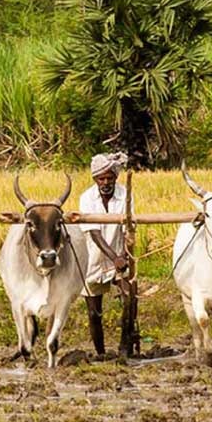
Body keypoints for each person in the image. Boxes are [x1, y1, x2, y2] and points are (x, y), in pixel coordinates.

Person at [79, 152, 131, 356]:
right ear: (95, 179)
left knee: (129, 300)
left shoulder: (125, 194)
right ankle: (100, 353)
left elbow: (128, 229)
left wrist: (124, 256)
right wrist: (114, 258)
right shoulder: (86, 198)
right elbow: (94, 233)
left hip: (121, 257)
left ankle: (125, 346)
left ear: (115, 178)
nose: (106, 182)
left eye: (110, 178)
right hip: (93, 259)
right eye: (102, 178)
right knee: (94, 312)